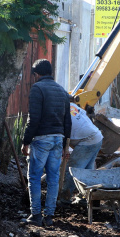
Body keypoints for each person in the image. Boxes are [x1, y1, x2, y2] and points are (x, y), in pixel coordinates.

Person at [21, 59, 71, 227]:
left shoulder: (37, 89)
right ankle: (49, 216)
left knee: (34, 177)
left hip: (42, 139)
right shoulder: (62, 91)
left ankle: (35, 214)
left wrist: (25, 141)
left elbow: (33, 118)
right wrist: (66, 145)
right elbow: (67, 121)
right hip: (58, 139)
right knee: (53, 178)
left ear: (37, 74)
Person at [61, 98, 104, 202]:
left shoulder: (60, 112)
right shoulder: (72, 106)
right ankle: (86, 196)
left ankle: (64, 197)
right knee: (87, 170)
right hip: (97, 136)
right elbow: (84, 116)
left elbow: (64, 132)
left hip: (88, 140)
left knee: (72, 169)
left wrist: (64, 150)